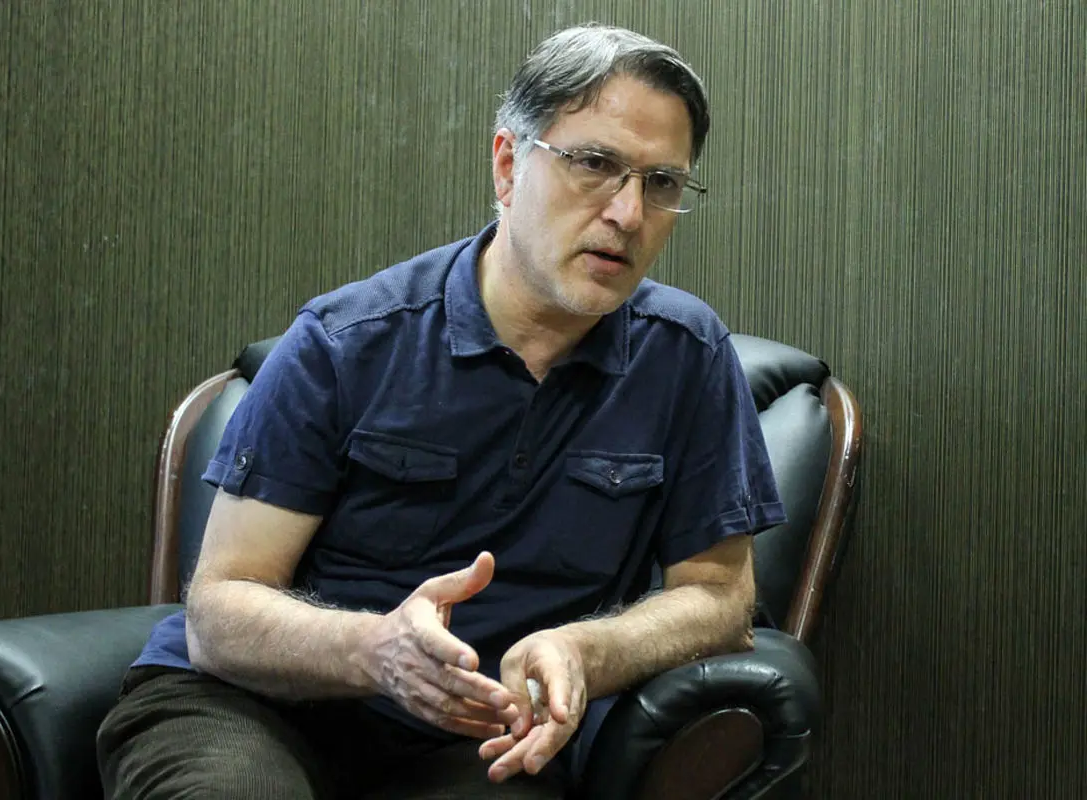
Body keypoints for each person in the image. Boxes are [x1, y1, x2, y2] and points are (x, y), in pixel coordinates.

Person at [97, 22, 786, 800]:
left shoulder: (686, 355)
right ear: (507, 164)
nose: (628, 213)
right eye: (595, 165)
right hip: (250, 707)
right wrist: (376, 649)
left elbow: (721, 598)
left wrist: (587, 651)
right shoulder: (346, 340)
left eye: (660, 183)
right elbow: (219, 613)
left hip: (475, 735)